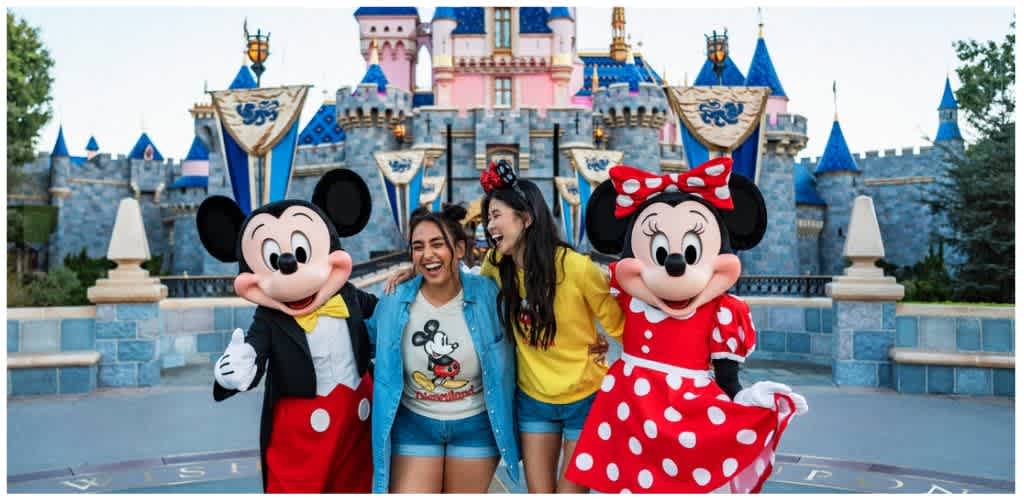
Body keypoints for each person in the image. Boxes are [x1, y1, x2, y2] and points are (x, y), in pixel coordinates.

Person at [565, 159, 808, 493]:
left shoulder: (722, 312)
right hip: (628, 410)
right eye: (661, 251)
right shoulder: (626, 296)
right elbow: (580, 299)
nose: (675, 263)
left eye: (691, 251)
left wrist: (750, 399)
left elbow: (727, 381)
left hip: (688, 414)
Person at [390, 160, 625, 493]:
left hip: (584, 400)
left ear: (526, 218)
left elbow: (622, 327)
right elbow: (460, 286)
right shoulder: (495, 267)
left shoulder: (576, 268)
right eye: (488, 218)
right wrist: (416, 273)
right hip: (533, 401)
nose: (489, 225)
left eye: (496, 215)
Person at [366, 204, 520, 493]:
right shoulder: (394, 301)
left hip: (475, 427)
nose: (428, 254)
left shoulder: (488, 295)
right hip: (415, 426)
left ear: (459, 249)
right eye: (418, 247)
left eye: (438, 244)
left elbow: (530, 315)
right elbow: (361, 338)